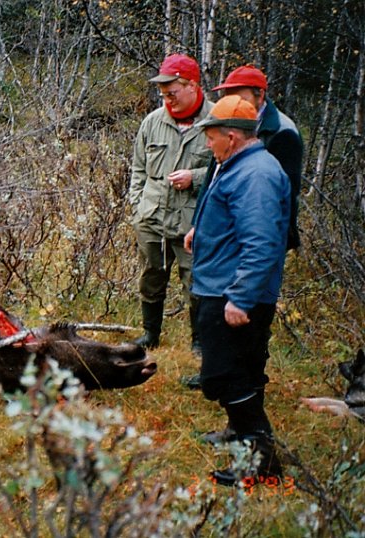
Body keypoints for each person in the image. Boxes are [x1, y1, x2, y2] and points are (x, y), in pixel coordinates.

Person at [188, 95, 291, 486]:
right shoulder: (238, 165)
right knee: (239, 372)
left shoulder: (256, 175)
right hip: (224, 286)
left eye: (211, 138)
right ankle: (239, 433)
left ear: (231, 136)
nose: (207, 145)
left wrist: (241, 298)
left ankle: (261, 461)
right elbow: (238, 222)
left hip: (233, 294)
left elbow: (263, 242)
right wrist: (204, 230)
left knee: (229, 377)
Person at [182, 65, 303, 392]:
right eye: (228, 95)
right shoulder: (227, 125)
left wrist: (265, 252)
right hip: (232, 233)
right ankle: (224, 376)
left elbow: (280, 199)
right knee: (223, 330)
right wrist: (200, 226)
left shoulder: (282, 132)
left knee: (248, 320)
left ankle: (247, 383)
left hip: (255, 235)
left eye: (239, 95)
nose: (232, 100)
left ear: (260, 95)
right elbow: (214, 177)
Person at [129, 54, 214, 354]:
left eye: (172, 92)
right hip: (151, 219)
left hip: (195, 222)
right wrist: (137, 206)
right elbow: (138, 168)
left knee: (197, 283)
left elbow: (230, 168)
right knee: (150, 277)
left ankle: (200, 341)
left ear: (192, 85)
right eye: (162, 94)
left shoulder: (216, 120)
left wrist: (196, 177)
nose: (166, 99)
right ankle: (150, 334)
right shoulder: (153, 122)